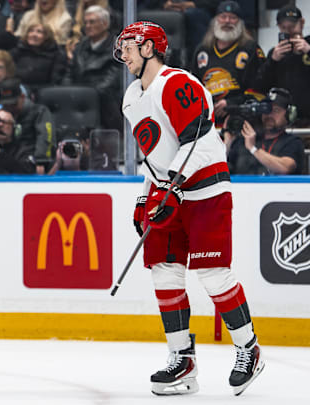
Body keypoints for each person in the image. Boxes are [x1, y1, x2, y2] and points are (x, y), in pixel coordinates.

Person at [114, 21, 264, 396]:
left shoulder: (178, 82)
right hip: (169, 189)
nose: (125, 54)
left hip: (204, 187)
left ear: (150, 47)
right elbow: (153, 157)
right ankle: (182, 360)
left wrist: (172, 187)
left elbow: (195, 138)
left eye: (130, 46)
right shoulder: (132, 95)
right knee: (164, 272)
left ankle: (249, 347)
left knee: (212, 273)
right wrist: (144, 196)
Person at [190, 0, 265, 122]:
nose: (227, 21)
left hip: (241, 120)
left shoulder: (251, 49)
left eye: (233, 17)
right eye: (223, 16)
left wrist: (231, 104)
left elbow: (259, 90)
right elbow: (193, 87)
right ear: (215, 20)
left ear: (240, 23)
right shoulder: (202, 50)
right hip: (208, 121)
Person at [64, 5, 123, 132]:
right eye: (86, 22)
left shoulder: (118, 48)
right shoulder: (80, 47)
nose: (88, 26)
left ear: (105, 24)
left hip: (105, 102)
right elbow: (69, 74)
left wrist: (84, 94)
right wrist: (68, 92)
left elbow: (111, 81)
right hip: (78, 99)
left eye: (92, 22)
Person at [226, 88, 304, 175]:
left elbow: (285, 167)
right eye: (266, 109)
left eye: (276, 110)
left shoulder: (293, 142)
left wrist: (253, 149)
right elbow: (224, 169)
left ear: (289, 115)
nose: (270, 115)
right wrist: (228, 144)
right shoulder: (244, 141)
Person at [256, 5, 310, 127]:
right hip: (284, 120)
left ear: (302, 23)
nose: (289, 31)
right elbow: (260, 86)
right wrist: (273, 61)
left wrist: (308, 50)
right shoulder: (275, 53)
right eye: (284, 27)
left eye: (292, 26)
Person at [0, 77, 55, 174]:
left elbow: (45, 137)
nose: (10, 108)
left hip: (31, 159)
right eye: (6, 104)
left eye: (13, 104)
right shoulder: (2, 115)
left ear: (22, 97)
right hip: (8, 159)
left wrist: (41, 160)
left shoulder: (39, 112)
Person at [10, 21, 66, 97]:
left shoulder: (56, 55)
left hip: (42, 93)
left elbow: (55, 81)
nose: (34, 34)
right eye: (31, 31)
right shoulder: (17, 51)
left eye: (39, 32)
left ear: (46, 37)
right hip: (17, 91)